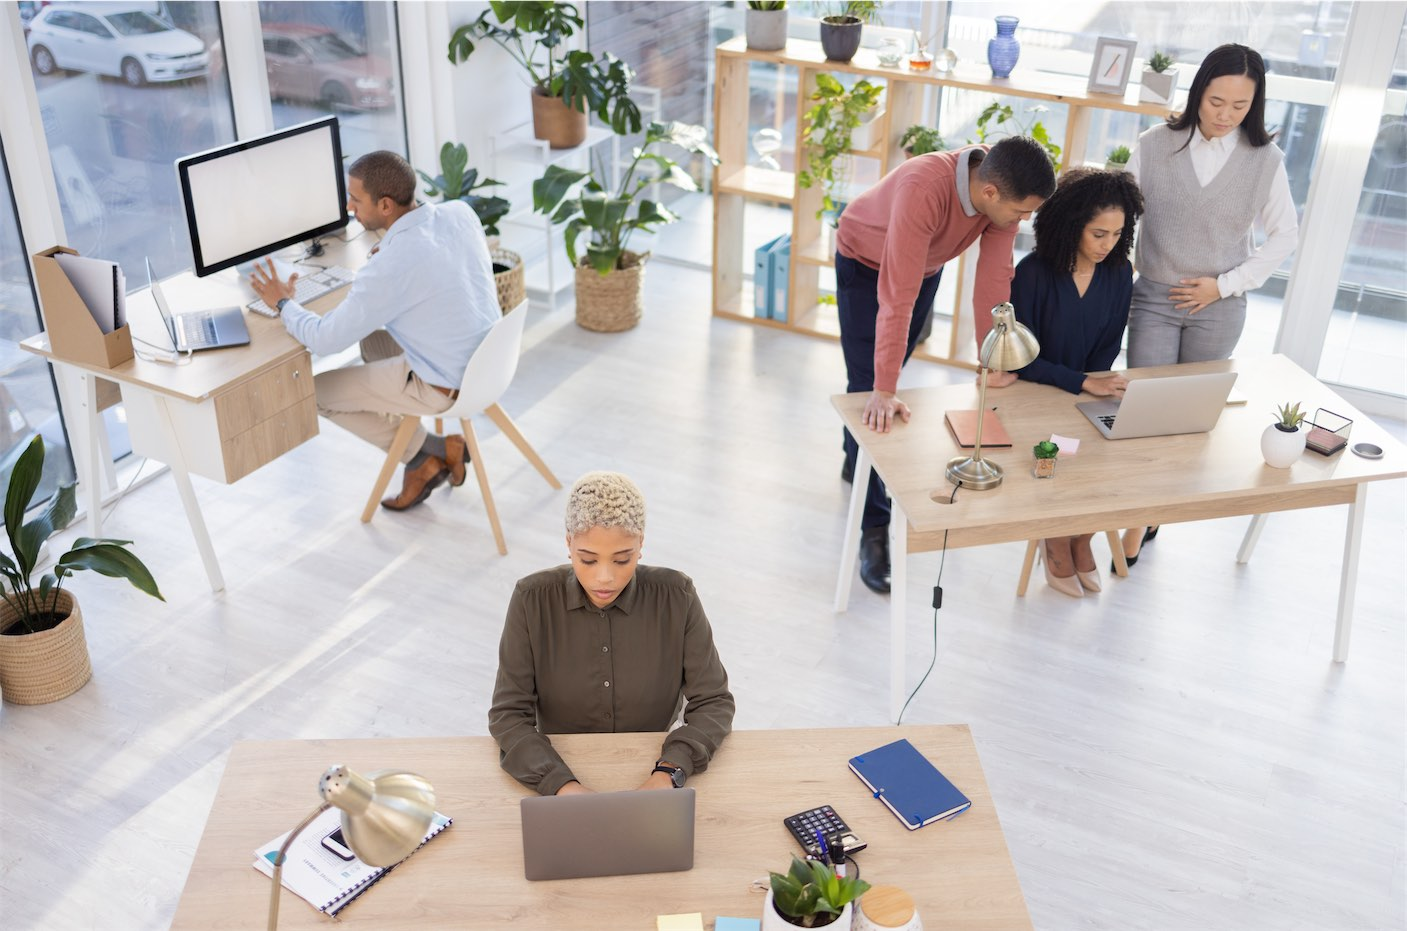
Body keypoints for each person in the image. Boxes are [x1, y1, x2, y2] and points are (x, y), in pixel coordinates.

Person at [835, 135, 1056, 594]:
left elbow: (994, 278)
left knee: (880, 372)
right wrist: (884, 388)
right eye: (1021, 213)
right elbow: (897, 296)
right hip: (866, 261)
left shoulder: (1000, 186)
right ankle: (874, 529)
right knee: (870, 392)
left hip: (923, 267)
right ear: (990, 193)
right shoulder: (925, 187)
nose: (1023, 221)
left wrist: (990, 358)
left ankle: (852, 451)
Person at [1121, 43, 1299, 566]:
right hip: (1153, 296)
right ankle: (1134, 515)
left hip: (1219, 307)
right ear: (1199, 91)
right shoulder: (1154, 145)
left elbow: (1284, 236)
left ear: (1255, 104)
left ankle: (1149, 512)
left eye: (1239, 106)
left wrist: (1223, 285)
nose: (1224, 115)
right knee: (1147, 415)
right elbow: (1123, 213)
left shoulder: (1265, 160)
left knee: (1188, 421)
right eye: (1216, 101)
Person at [248, 150, 501, 512]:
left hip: (444, 384)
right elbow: (429, 265)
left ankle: (425, 455)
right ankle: (432, 450)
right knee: (370, 338)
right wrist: (392, 250)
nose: (349, 207)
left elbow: (325, 339)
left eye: (355, 199)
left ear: (385, 205)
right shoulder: (459, 213)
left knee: (314, 392)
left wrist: (283, 303)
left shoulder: (390, 266)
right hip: (487, 362)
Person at [488, 471, 735, 796]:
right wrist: (560, 785)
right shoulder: (531, 600)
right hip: (559, 770)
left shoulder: (677, 597)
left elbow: (714, 701)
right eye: (587, 560)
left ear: (641, 545)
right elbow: (508, 714)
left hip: (655, 767)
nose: (604, 578)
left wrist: (670, 770)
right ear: (568, 543)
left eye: (622, 559)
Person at [997, 168, 1145, 597]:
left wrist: (1091, 389)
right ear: (1070, 224)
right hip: (1035, 395)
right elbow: (1021, 360)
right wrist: (1080, 383)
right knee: (1059, 448)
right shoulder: (1032, 273)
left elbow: (1108, 346)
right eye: (1099, 233)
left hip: (1086, 390)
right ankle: (1056, 538)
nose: (1108, 245)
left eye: (1118, 234)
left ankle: (1083, 536)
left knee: (1109, 454)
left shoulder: (1119, 273)